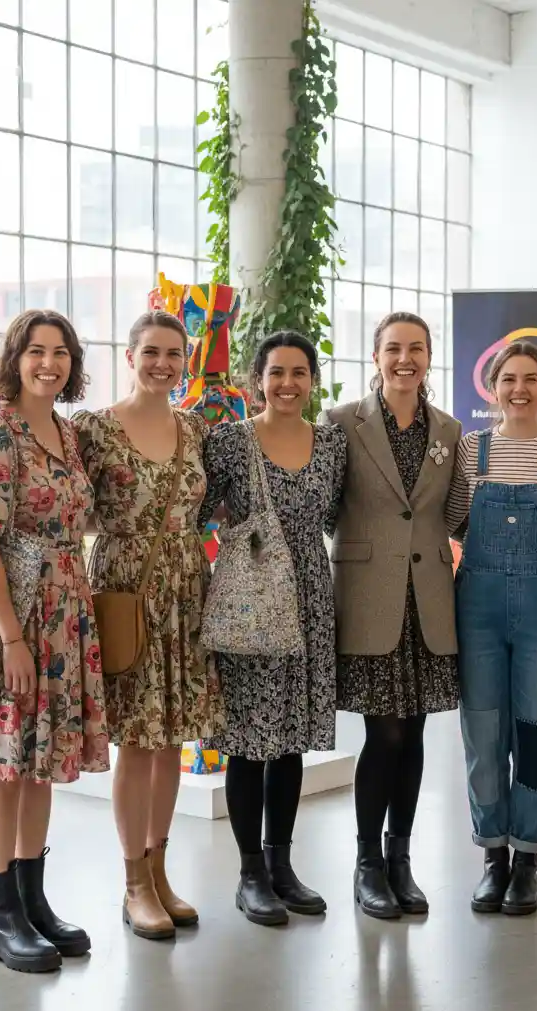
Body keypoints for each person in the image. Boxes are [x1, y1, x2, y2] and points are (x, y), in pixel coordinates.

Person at [0, 310, 109, 973]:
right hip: (14, 620)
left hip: (67, 618)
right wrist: (12, 637)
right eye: (37, 351)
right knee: (5, 768)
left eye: (61, 352)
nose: (50, 362)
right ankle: (1, 917)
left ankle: (33, 899)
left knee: (42, 764)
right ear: (15, 360)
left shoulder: (68, 437)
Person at [73, 311, 223, 941]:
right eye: (152, 351)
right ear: (130, 355)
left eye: (174, 353)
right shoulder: (96, 429)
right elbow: (68, 507)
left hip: (188, 588)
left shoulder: (197, 430)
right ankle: (133, 880)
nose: (163, 363)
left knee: (172, 742)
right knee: (136, 741)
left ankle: (160, 871)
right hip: (126, 592)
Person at [198, 331, 346, 927]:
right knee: (246, 741)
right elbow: (201, 514)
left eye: (300, 372)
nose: (288, 383)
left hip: (309, 595)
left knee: (289, 741)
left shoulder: (331, 444)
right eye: (276, 372)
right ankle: (249, 874)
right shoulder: (232, 442)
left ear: (313, 380)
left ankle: (282, 866)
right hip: (252, 599)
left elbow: (335, 515)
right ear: (257, 378)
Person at [322, 312, 461, 919]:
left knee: (418, 734)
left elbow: (451, 514)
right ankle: (366, 863)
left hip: (428, 600)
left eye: (417, 349)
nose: (406, 358)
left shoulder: (449, 431)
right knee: (385, 734)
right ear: (375, 356)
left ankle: (401, 860)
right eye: (394, 348)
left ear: (430, 357)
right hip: (370, 596)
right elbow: (326, 508)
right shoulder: (341, 423)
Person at [446, 341, 537, 916]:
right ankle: (492, 856)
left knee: (536, 734)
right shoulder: (469, 451)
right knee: (483, 735)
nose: (520, 389)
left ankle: (527, 857)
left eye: (532, 379)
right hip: (476, 606)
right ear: (493, 388)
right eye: (509, 379)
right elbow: (455, 522)